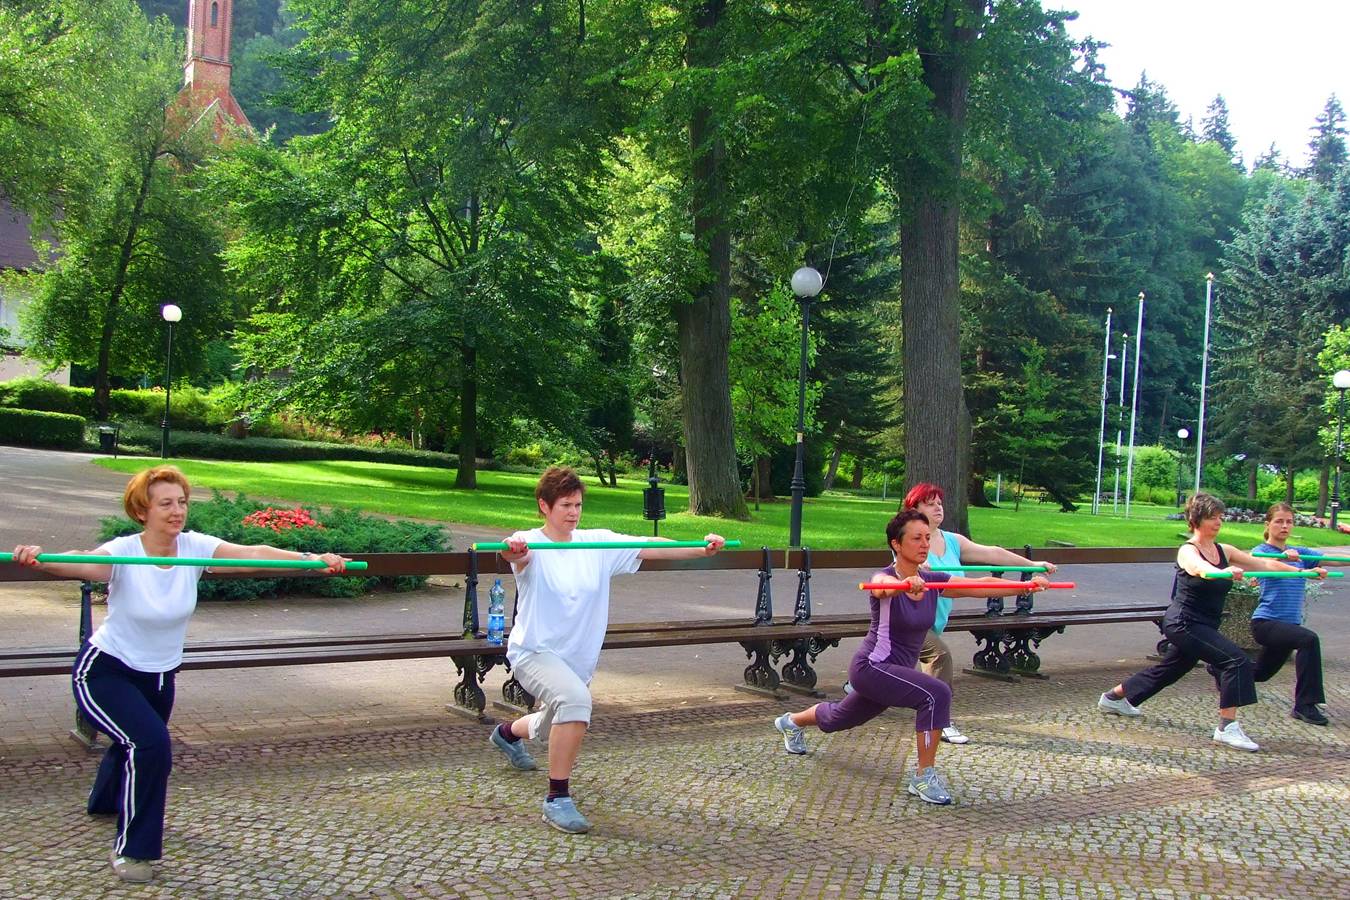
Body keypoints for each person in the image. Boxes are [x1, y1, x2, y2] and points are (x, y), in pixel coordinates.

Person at [10, 465, 349, 884]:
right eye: (165, 504)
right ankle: (133, 851)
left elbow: (253, 552)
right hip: (105, 672)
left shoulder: (194, 547)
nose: (177, 511)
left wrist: (311, 561)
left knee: (136, 739)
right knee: (150, 744)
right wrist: (39, 559)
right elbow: (77, 564)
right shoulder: (124, 552)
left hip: (159, 678)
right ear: (142, 511)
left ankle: (105, 802)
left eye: (182, 502)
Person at [487, 466, 725, 834]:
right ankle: (557, 798)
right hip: (534, 653)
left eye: (578, 505)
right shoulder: (530, 541)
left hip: (576, 661)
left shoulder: (595, 543)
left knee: (555, 717)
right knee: (575, 702)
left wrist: (701, 548)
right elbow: (515, 555)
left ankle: (507, 734)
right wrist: (513, 551)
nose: (573, 513)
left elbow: (650, 546)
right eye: (565, 505)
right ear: (544, 506)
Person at [773, 510, 1049, 805]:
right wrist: (902, 585)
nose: (924, 544)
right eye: (916, 538)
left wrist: (1025, 586)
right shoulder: (886, 577)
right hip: (872, 667)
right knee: (936, 694)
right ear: (896, 543)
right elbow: (880, 586)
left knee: (838, 718)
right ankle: (924, 776)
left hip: (896, 671)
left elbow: (980, 585)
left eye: (927, 538)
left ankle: (790, 722)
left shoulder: (932, 580)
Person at [1096, 492, 1306, 752]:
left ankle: (1113, 697)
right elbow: (1199, 569)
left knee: (1174, 667)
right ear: (1196, 520)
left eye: (1220, 517)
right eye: (1212, 517)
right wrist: (1222, 572)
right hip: (1183, 622)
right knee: (1235, 660)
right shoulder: (1188, 550)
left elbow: (1264, 564)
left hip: (1205, 623)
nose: (1218, 522)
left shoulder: (1224, 550)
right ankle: (1227, 728)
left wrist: (1302, 572)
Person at [900, 482, 1057, 745]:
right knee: (939, 656)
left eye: (940, 503)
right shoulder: (907, 539)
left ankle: (860, 686)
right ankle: (939, 721)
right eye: (930, 503)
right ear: (914, 509)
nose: (938, 508)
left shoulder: (952, 540)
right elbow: (906, 567)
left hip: (933, 620)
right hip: (906, 620)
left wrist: (1031, 566)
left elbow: (992, 553)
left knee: (884, 672)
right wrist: (918, 566)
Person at [1249, 502, 1337, 726]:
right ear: (1268, 524)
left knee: (1260, 673)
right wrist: (1301, 569)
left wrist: (1306, 564)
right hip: (1265, 623)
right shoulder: (1261, 551)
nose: (1285, 526)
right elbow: (1268, 564)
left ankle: (1222, 668)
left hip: (1289, 626)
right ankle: (1305, 705)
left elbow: (1331, 560)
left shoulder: (1301, 553)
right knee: (1309, 640)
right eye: (1279, 521)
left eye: (1289, 522)